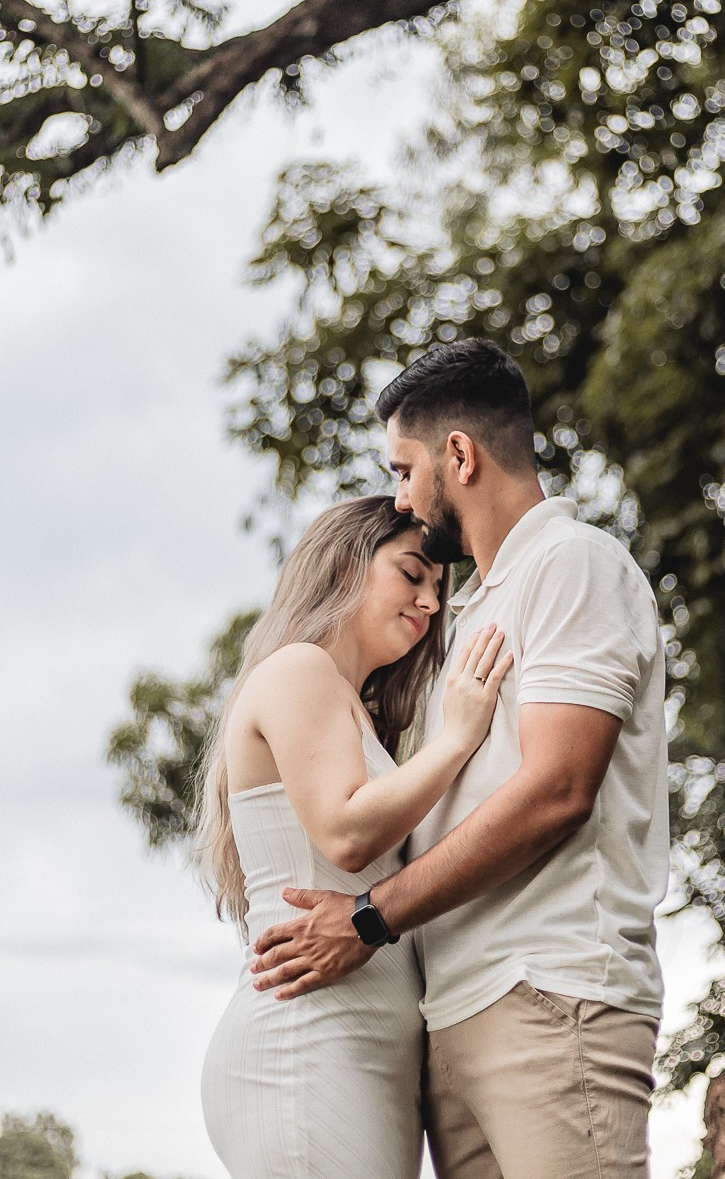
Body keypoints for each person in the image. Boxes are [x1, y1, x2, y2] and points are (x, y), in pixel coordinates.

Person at [248, 339, 670, 1179]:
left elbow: (557, 789)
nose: (399, 493)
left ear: (460, 455)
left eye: (404, 468)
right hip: (454, 1012)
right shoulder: (468, 607)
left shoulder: (571, 563)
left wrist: (370, 916)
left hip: (553, 992)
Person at [197, 495, 514, 1179]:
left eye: (438, 588)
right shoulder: (299, 668)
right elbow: (343, 832)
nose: (430, 602)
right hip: (307, 1044)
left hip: (361, 1050)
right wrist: (458, 738)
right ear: (346, 562)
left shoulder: (355, 709)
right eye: (411, 574)